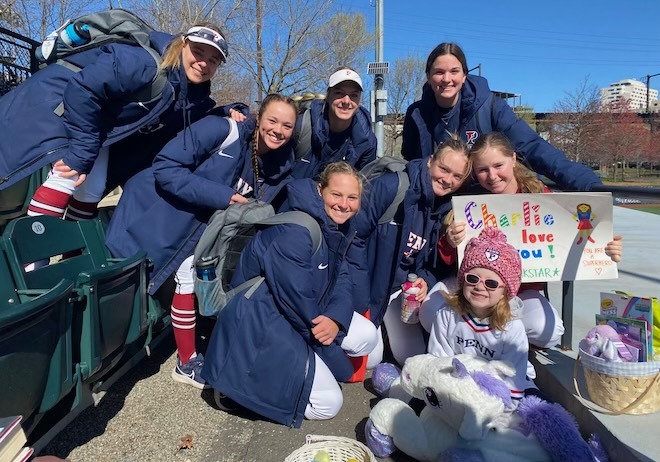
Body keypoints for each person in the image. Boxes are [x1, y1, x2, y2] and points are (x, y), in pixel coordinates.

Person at [105, 93, 298, 389]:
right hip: (154, 214)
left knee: (187, 280)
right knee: (139, 281)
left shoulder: (277, 164)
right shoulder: (224, 130)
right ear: (258, 119)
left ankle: (186, 359)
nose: (278, 130)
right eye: (272, 120)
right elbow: (166, 166)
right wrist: (221, 197)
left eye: (287, 125)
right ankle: (181, 361)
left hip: (196, 229)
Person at [0, 23, 241, 221]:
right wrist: (83, 151)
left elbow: (192, 114)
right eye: (198, 52)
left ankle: (70, 258)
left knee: (91, 191)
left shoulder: (188, 92)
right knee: (68, 175)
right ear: (182, 45)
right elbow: (83, 89)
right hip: (54, 105)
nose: (204, 63)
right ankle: (32, 268)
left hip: (94, 124)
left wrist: (230, 110)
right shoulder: (145, 64)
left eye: (213, 60)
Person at [202, 162, 379, 427]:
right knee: (328, 405)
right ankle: (238, 394)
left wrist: (335, 319)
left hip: (298, 314)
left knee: (368, 337)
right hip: (264, 321)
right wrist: (333, 356)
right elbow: (297, 305)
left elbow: (342, 279)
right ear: (320, 191)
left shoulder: (334, 226)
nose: (344, 204)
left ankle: (298, 370)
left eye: (352, 197)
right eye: (336, 195)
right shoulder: (296, 232)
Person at [432, 132, 624, 348]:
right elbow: (448, 258)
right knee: (429, 310)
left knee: (548, 331)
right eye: (483, 170)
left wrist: (604, 249)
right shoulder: (470, 200)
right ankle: (475, 342)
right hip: (473, 288)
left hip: (521, 292)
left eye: (498, 165)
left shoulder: (540, 196)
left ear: (513, 159)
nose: (492, 176)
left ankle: (489, 342)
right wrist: (449, 242)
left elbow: (572, 236)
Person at [401, 42, 601, 192]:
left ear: (464, 75)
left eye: (454, 71)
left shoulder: (490, 106)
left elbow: (532, 147)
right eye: (438, 72)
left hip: (483, 201)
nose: (447, 79)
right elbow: (413, 162)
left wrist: (586, 184)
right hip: (439, 206)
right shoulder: (416, 114)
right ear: (428, 76)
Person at [352, 135, 471, 367]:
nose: (447, 180)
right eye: (443, 169)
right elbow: (353, 238)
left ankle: (384, 332)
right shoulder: (391, 186)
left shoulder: (450, 208)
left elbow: (435, 264)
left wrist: (426, 280)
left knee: (411, 357)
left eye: (457, 176)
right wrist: (356, 291)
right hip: (370, 286)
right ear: (430, 161)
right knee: (370, 360)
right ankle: (377, 332)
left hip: (402, 292)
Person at [426, 227, 534, 400]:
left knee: (538, 414)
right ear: (462, 280)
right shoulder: (447, 316)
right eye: (472, 279)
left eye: (491, 283)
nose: (479, 286)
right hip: (457, 385)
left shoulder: (512, 327)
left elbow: (512, 379)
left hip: (502, 390)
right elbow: (438, 362)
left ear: (506, 291)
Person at [290, 67, 376, 180]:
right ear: (328, 96)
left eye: (353, 95)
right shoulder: (301, 126)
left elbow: (363, 187)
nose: (346, 101)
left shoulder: (367, 142)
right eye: (339, 93)